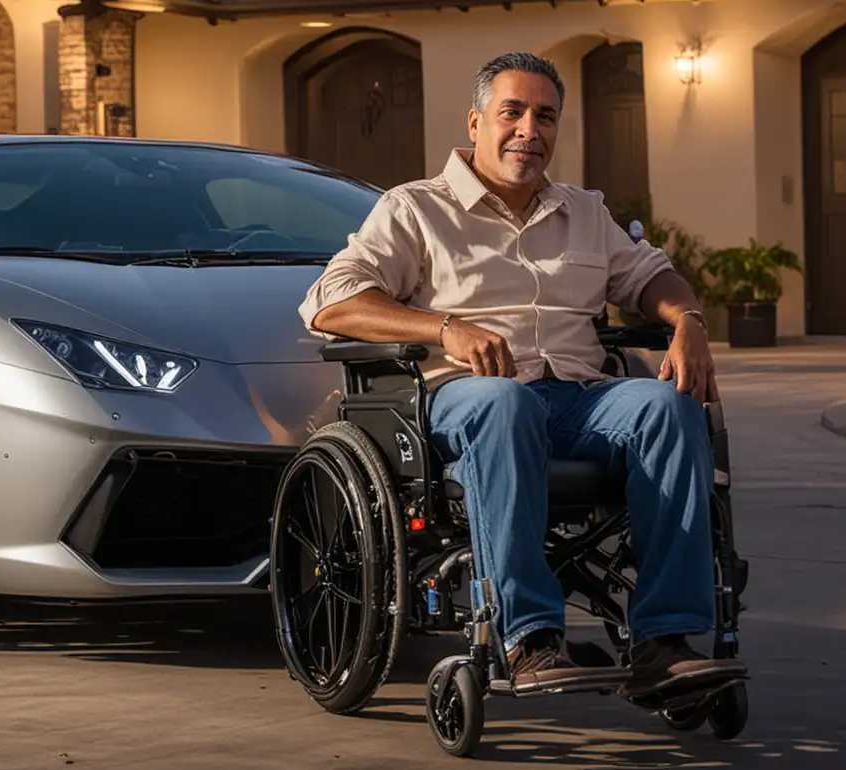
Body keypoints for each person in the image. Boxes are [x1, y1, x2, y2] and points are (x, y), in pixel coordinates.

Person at [299, 50, 746, 699]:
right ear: (477, 122)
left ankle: (663, 641)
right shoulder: (416, 210)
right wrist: (443, 327)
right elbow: (330, 300)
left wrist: (690, 323)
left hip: (576, 400)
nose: (529, 130)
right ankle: (530, 636)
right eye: (512, 112)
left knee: (667, 405)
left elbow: (652, 276)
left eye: (545, 117)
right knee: (504, 404)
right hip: (462, 400)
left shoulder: (584, 212)